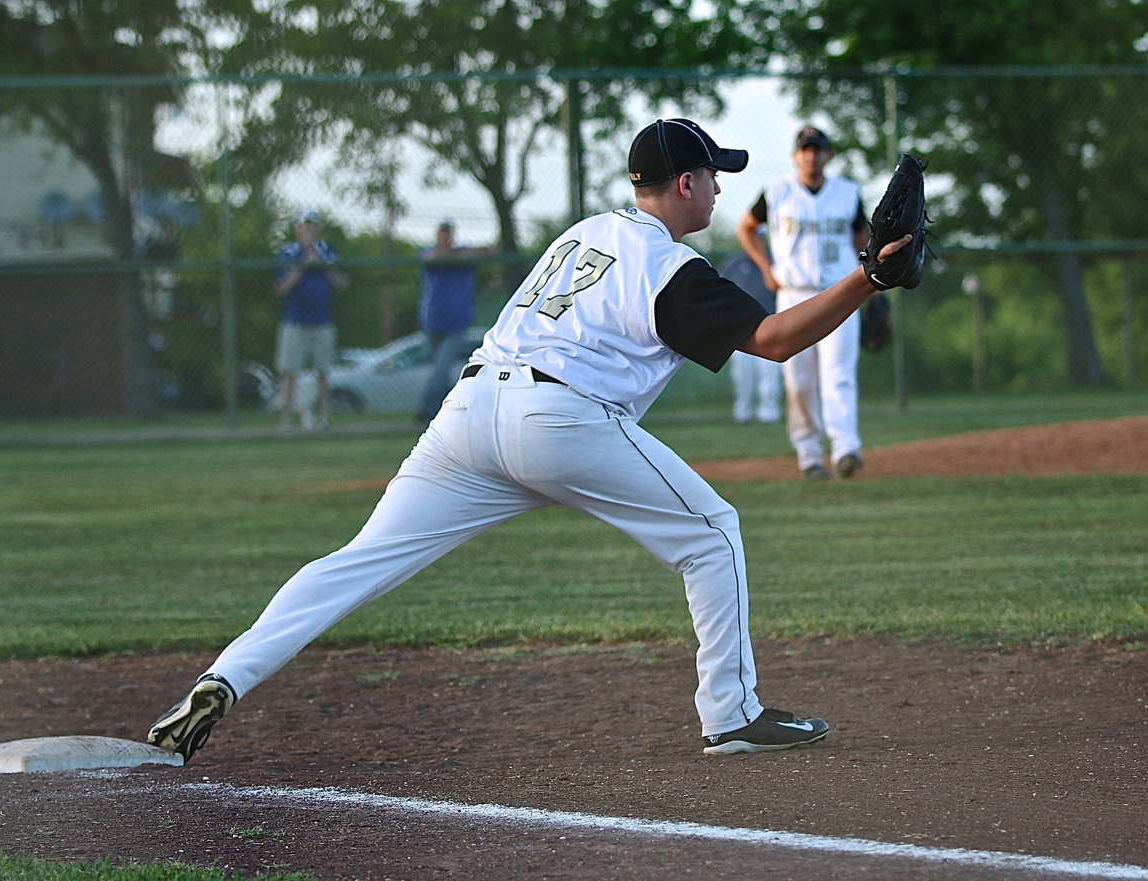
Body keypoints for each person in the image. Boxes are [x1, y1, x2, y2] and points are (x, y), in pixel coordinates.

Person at [148, 118, 914, 762]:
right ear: (684, 185)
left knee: (356, 563)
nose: (717, 186)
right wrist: (869, 280)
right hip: (560, 421)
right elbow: (777, 339)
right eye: (712, 174)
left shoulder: (584, 233)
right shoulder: (669, 266)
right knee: (712, 531)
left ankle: (221, 679)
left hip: (467, 415)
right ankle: (731, 714)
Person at [736, 126, 870, 480]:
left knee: (838, 374)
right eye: (805, 149)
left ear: (828, 155)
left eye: (817, 149)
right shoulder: (776, 192)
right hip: (793, 294)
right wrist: (766, 267)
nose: (811, 156)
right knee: (798, 379)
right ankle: (810, 455)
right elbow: (745, 228)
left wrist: (863, 276)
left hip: (837, 293)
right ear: (795, 155)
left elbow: (861, 239)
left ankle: (846, 448)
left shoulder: (847, 193)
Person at [273, 210, 348, 431]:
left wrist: (323, 264)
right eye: (304, 226)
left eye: (312, 226)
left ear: (318, 229)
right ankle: (286, 422)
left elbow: (342, 283)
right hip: (294, 321)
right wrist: (303, 266)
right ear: (297, 229)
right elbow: (281, 288)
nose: (308, 230)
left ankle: (322, 419)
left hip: (322, 320)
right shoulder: (288, 253)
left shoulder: (328, 252)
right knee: (289, 373)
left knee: (323, 372)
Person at [415, 220, 495, 426]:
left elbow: (489, 251)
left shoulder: (463, 254)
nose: (445, 237)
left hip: (457, 321)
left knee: (441, 369)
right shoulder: (430, 253)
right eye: (442, 233)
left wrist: (464, 254)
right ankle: (455, 409)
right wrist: (460, 255)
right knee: (439, 372)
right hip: (432, 321)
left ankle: (426, 411)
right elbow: (430, 258)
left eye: (448, 233)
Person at [717, 250, 782, 424]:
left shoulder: (774, 261)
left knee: (769, 374)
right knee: (742, 374)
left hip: (770, 326)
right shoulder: (734, 262)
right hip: (741, 330)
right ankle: (743, 412)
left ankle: (769, 412)